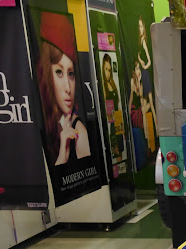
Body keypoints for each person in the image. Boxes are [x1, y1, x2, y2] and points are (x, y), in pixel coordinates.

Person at [36, 11, 90, 166]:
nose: (68, 87)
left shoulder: (79, 133)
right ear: (46, 73)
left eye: (71, 74)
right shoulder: (44, 121)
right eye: (59, 72)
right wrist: (62, 155)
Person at [137, 16, 157, 149]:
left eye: (141, 26)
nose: (140, 29)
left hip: (145, 74)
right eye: (138, 26)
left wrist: (144, 66)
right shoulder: (140, 42)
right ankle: (149, 137)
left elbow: (149, 60)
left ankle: (157, 130)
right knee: (145, 104)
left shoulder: (143, 41)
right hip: (142, 75)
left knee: (151, 103)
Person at [101, 54, 123, 161]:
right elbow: (105, 108)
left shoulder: (113, 84)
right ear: (103, 69)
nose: (108, 73)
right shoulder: (103, 86)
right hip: (111, 122)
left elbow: (118, 104)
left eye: (109, 70)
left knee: (121, 150)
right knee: (116, 151)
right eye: (106, 69)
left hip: (118, 121)